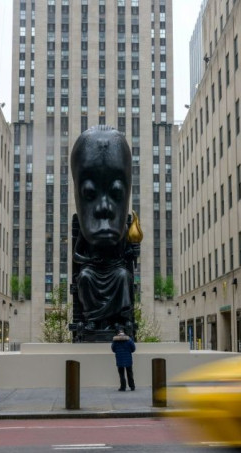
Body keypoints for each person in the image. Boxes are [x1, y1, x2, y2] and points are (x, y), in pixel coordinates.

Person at [70, 126, 140, 339]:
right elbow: (77, 255)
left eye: (117, 192)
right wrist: (92, 261)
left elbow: (128, 260)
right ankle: (92, 319)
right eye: (89, 193)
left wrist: (131, 251)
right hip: (94, 270)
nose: (104, 208)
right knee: (84, 277)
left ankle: (120, 321)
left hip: (114, 270)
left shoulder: (126, 229)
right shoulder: (81, 229)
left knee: (121, 276)